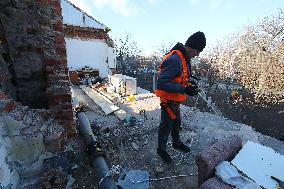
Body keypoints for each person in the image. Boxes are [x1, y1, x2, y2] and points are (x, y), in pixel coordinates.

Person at [155, 31, 206, 163]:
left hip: (175, 100)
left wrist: (190, 83)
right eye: (197, 51)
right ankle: (161, 149)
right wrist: (184, 89)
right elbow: (161, 83)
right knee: (166, 126)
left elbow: (181, 77)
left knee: (177, 123)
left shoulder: (185, 58)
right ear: (190, 46)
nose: (198, 54)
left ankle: (176, 143)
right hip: (168, 100)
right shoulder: (175, 59)